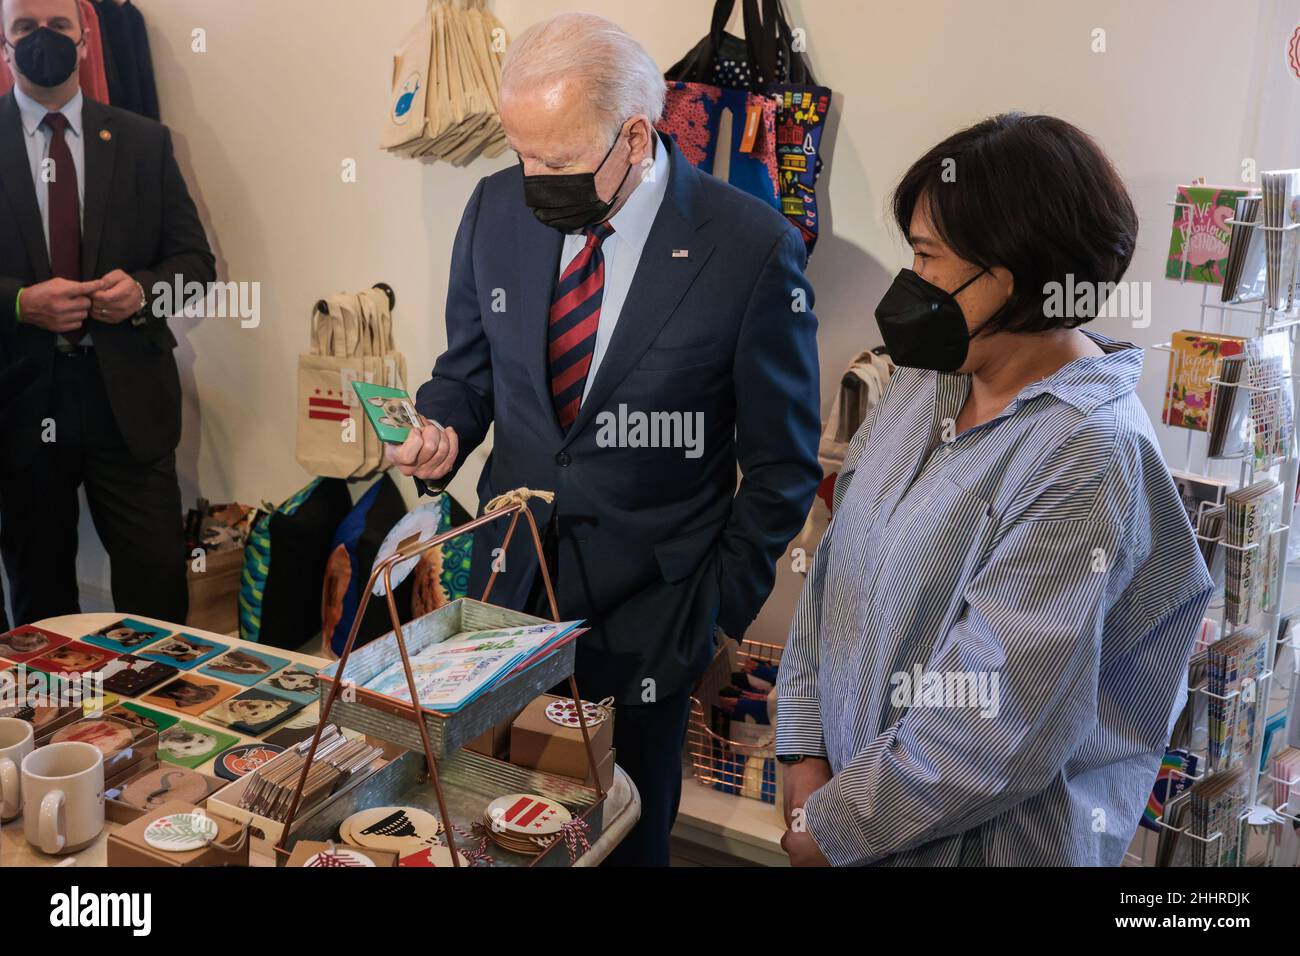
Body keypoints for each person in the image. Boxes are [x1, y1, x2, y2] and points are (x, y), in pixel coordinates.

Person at [388, 12, 821, 865]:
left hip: (650, 616)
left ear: (634, 134)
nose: (529, 176)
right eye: (520, 151)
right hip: (505, 590)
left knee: (622, 839)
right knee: (491, 825)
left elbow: (780, 467)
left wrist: (711, 614)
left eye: (553, 159)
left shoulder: (750, 248)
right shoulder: (493, 210)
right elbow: (470, 371)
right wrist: (440, 428)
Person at [776, 113, 1213, 866]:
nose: (909, 280)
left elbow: (992, 727)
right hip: (848, 817)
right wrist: (802, 748)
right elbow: (835, 569)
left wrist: (831, 830)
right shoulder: (923, 381)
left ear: (1011, 280)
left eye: (927, 256)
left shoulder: (1087, 457)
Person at [0, 0, 214, 626]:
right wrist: (18, 303)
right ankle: (53, 720)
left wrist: (146, 292)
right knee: (38, 596)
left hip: (129, 403)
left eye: (59, 26)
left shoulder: (144, 141)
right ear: (5, 44)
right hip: (20, 404)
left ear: (86, 39)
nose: (44, 39)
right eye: (24, 28)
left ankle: (163, 723)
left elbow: (196, 267)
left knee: (155, 586)